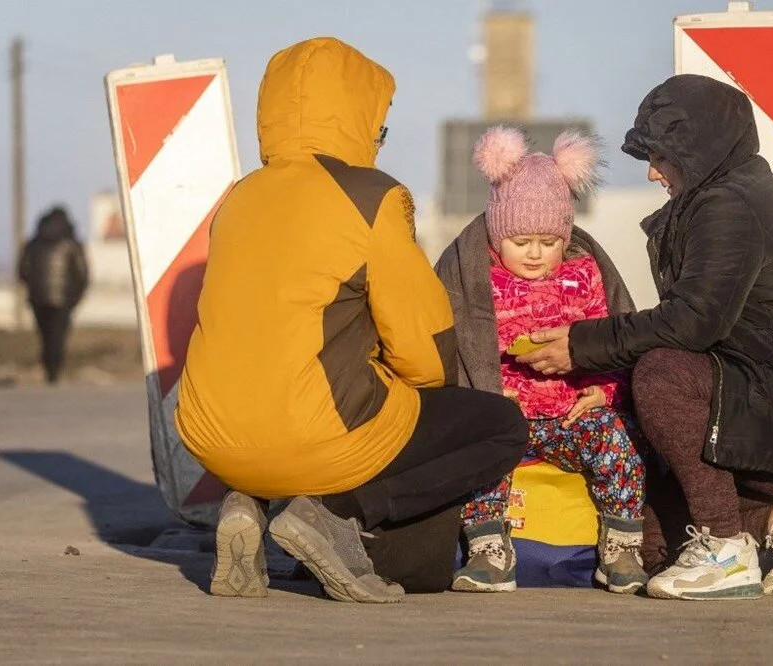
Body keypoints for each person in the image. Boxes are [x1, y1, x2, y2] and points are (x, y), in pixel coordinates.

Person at [518, 75, 773, 600]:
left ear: (696, 150)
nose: (653, 173)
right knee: (655, 544)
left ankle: (726, 547)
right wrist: (610, 384)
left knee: (661, 374)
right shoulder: (732, 198)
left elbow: (692, 322)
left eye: (659, 156)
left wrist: (580, 346)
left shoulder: (728, 206)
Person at [174, 38, 528, 604]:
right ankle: (333, 514)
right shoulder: (370, 197)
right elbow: (421, 347)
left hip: (212, 439)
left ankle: (247, 504)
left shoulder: (238, 199)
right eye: (377, 128)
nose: (379, 144)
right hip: (316, 437)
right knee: (500, 426)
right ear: (356, 121)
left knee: (295, 390)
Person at [436, 127, 649, 594]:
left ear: (566, 237)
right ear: (497, 237)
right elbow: (456, 348)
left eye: (549, 241)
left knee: (618, 447)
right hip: (507, 414)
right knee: (485, 456)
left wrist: (606, 391)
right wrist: (490, 395)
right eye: (522, 241)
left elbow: (611, 337)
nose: (535, 253)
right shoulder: (478, 281)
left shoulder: (585, 276)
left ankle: (622, 547)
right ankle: (489, 549)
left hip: (571, 414)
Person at [17, 206, 89, 384]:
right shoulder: (72, 244)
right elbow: (82, 273)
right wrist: (75, 296)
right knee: (58, 336)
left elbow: (22, 270)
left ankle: (49, 369)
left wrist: (33, 288)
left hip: (38, 298)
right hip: (63, 299)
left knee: (45, 335)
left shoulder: (33, 243)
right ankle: (54, 371)